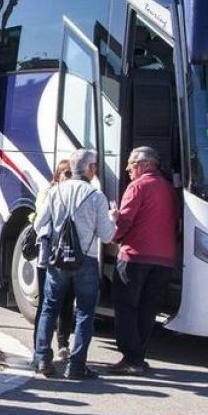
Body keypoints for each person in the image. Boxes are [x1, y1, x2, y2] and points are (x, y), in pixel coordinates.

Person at [32, 148, 115, 380]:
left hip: (58, 260)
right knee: (85, 312)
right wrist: (113, 219)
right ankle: (76, 366)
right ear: (90, 169)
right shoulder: (96, 196)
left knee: (49, 308)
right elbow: (107, 236)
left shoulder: (56, 192)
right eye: (94, 165)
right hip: (85, 260)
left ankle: (42, 360)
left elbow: (39, 224)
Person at [107, 146, 177, 376]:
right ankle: (139, 356)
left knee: (126, 306)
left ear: (145, 165)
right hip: (164, 259)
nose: (127, 169)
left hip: (136, 256)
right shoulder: (168, 188)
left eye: (132, 164)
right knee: (148, 309)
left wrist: (113, 228)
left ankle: (131, 358)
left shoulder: (138, 186)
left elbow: (125, 222)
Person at [31, 160, 76, 360]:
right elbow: (40, 219)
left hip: (70, 256)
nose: (68, 176)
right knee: (46, 304)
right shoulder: (48, 193)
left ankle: (63, 344)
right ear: (57, 175)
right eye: (65, 173)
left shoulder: (77, 194)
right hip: (48, 257)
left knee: (67, 302)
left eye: (71, 173)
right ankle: (39, 348)